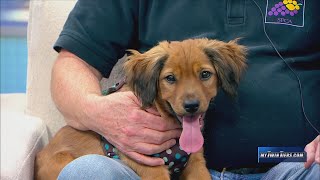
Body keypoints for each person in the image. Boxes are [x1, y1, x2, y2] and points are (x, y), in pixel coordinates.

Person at [51, 0, 320, 179]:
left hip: (296, 165)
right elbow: (73, 62)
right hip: (153, 169)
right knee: (87, 172)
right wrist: (98, 112)